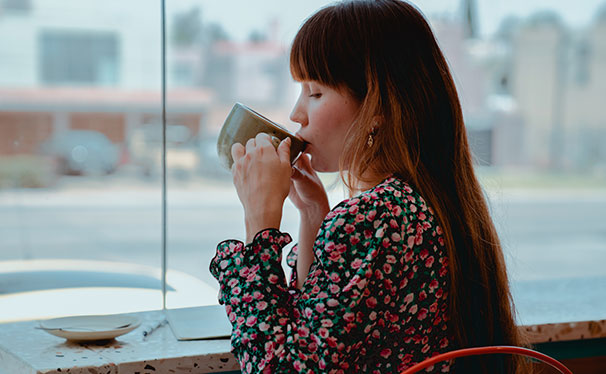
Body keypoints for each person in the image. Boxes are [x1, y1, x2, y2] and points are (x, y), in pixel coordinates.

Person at [210, 1, 528, 372]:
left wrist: (260, 222)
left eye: (315, 93)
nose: (296, 114)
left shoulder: (370, 217)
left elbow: (282, 367)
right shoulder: (422, 199)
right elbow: (319, 327)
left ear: (376, 109)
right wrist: (313, 214)